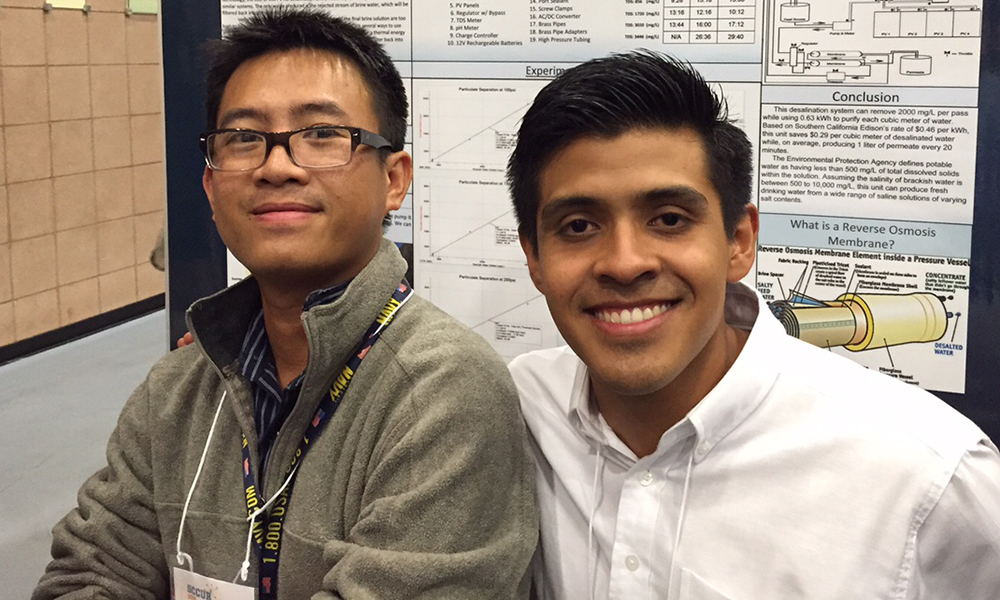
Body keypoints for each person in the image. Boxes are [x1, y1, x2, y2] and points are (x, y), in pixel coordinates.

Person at [33, 9, 537, 599]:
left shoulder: (443, 392)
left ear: (394, 180)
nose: (276, 166)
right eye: (244, 138)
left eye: (322, 135)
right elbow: (89, 574)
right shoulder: (177, 389)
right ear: (210, 186)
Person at [506, 51, 1000, 599]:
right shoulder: (518, 406)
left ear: (739, 241)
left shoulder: (929, 478)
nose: (625, 263)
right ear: (534, 257)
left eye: (669, 220)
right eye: (578, 226)